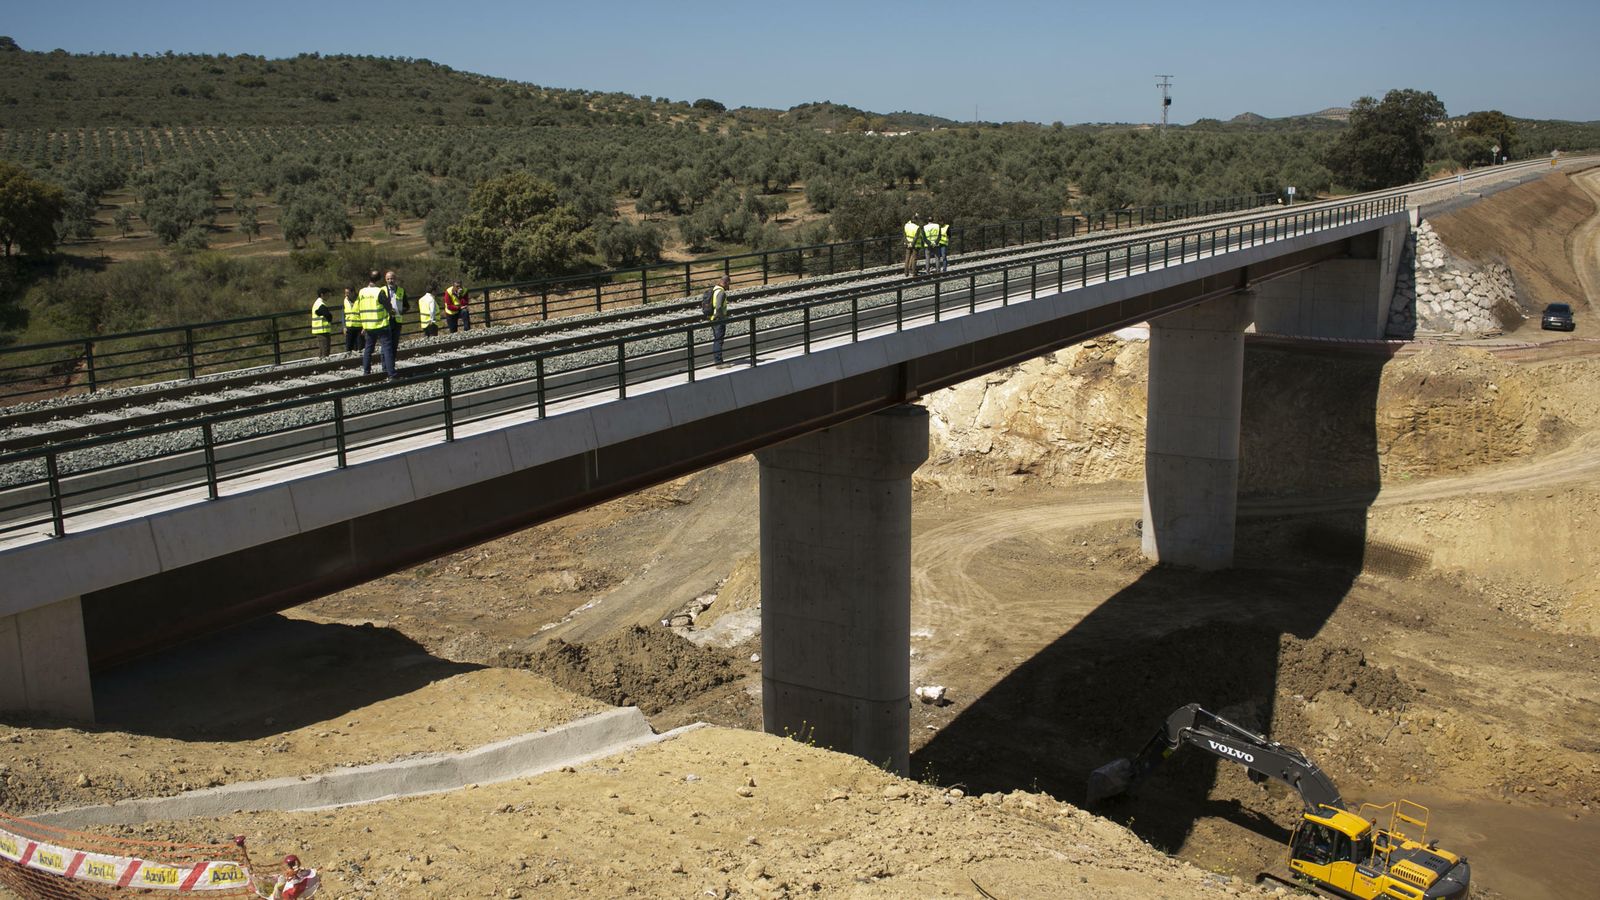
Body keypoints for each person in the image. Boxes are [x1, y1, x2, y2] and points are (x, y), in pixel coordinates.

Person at [356, 270, 396, 379]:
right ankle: (391, 374)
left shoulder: (362, 292)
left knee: (368, 349)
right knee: (387, 349)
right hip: (381, 325)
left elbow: (359, 307)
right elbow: (389, 308)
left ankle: (366, 372)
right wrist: (393, 312)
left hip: (368, 326)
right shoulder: (379, 292)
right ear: (379, 280)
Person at [381, 270, 407, 358]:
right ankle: (385, 365)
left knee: (394, 344)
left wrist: (401, 311)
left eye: (392, 278)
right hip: (386, 321)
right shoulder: (382, 291)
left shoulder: (401, 290)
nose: (390, 281)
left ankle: (392, 363)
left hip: (397, 321)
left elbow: (407, 305)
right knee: (386, 344)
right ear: (385, 280)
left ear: (395, 279)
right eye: (388, 279)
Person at [708, 275, 730, 366]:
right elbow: (718, 307)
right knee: (718, 340)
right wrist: (722, 317)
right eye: (728, 284)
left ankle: (718, 360)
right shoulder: (721, 292)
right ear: (726, 282)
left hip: (712, 318)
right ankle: (719, 362)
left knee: (717, 339)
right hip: (718, 319)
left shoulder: (714, 290)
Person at [309, 291, 334, 358]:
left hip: (319, 330)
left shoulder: (317, 303)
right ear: (322, 295)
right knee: (325, 350)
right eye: (327, 294)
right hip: (322, 329)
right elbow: (328, 315)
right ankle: (324, 365)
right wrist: (330, 317)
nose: (328, 296)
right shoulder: (321, 304)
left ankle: (321, 365)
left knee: (322, 349)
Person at [340, 286, 361, 353]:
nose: (346, 295)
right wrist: (344, 326)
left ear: (353, 292)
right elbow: (343, 314)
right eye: (345, 293)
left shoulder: (360, 300)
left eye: (347, 293)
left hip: (359, 327)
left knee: (360, 347)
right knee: (349, 348)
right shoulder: (345, 300)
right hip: (349, 327)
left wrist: (365, 327)